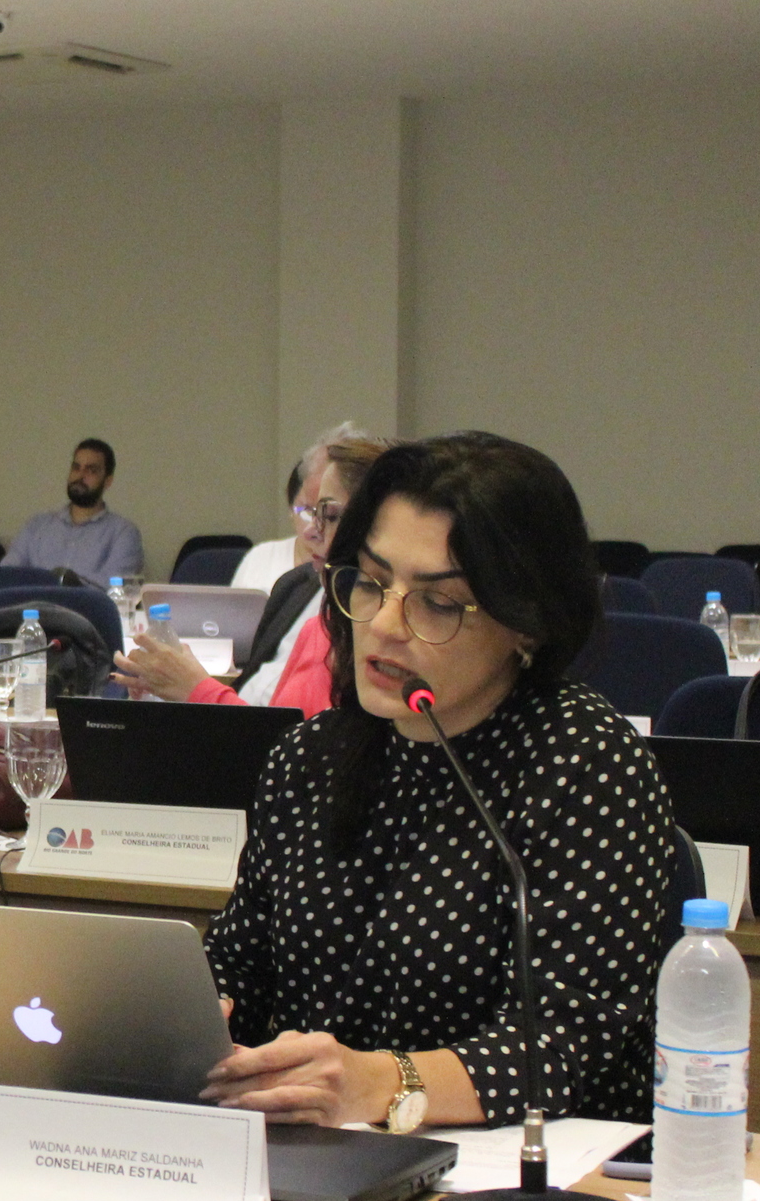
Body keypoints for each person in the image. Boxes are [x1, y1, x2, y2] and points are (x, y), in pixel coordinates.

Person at [199, 431, 674, 1131]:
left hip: (532, 1165)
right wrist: (193, 1016)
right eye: (371, 582)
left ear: (527, 625)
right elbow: (240, 964)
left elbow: (562, 1045)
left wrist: (381, 1083)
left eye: (438, 603)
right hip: (311, 1149)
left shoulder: (588, 765)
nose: (386, 625)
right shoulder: (309, 758)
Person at [114, 432, 389, 715]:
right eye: (310, 512)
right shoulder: (298, 589)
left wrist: (195, 689)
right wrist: (172, 690)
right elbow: (257, 702)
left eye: (329, 515)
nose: (311, 530)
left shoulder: (376, 627)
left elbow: (293, 737)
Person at [3, 436, 145, 587]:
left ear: (107, 481)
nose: (80, 476)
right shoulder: (37, 526)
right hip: (33, 602)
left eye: (91, 470)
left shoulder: (123, 533)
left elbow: (113, 588)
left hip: (85, 603)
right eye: (76, 468)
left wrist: (65, 582)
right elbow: (6, 575)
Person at [228, 458, 307, 593]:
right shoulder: (260, 557)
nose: (316, 524)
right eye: (307, 510)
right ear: (291, 508)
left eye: (330, 514)